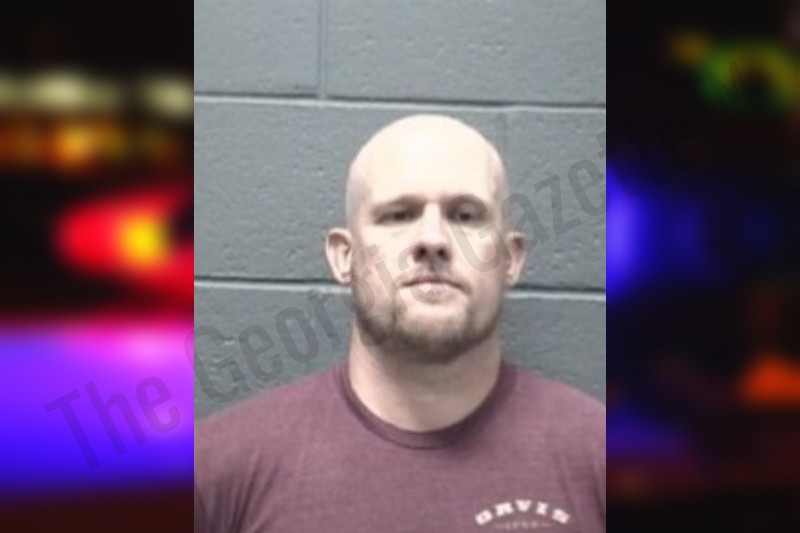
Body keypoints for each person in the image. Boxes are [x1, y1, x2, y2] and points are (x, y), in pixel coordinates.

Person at [194, 114, 605, 532]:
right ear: (344, 256)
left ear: (510, 259)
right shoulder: (215, 473)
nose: (433, 240)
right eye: (397, 215)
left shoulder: (602, 458)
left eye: (465, 216)